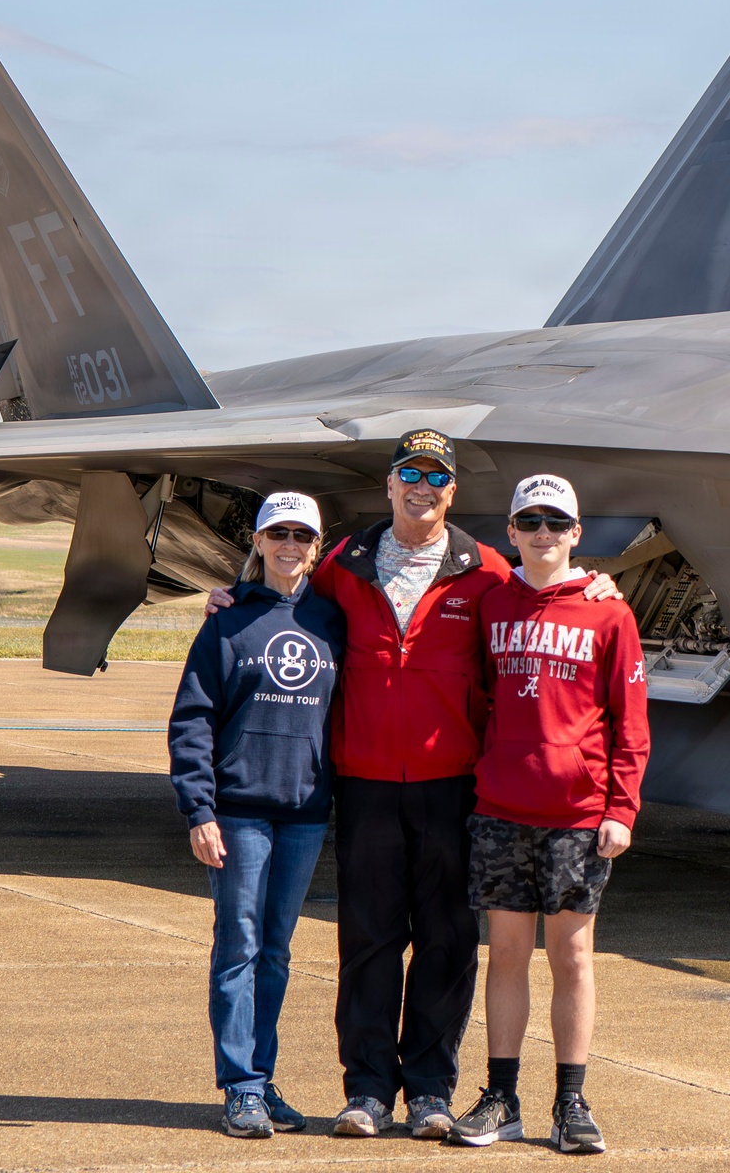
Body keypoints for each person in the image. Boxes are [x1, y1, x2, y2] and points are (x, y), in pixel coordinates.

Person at [205, 432, 622, 1140]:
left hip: (452, 785)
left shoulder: (484, 570)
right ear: (390, 484)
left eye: (436, 477)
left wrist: (596, 585)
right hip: (365, 781)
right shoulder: (345, 563)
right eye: (410, 473)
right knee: (368, 941)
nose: (421, 487)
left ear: (451, 491)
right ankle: (367, 1091)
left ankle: (430, 1091)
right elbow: (287, 600)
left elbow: (543, 596)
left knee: (446, 943)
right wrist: (233, 599)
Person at [446, 474, 649, 1156]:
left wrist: (621, 808)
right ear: (511, 531)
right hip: (503, 808)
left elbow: (632, 723)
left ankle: (571, 1102)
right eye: (530, 521)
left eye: (556, 523)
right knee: (506, 955)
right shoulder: (491, 602)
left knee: (573, 957)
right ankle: (501, 1098)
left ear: (576, 533)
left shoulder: (608, 613)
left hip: (577, 815)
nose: (543, 534)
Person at [168, 491, 345, 1139]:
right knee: (238, 946)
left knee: (275, 952)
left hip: (304, 812)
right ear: (260, 542)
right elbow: (192, 719)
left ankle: (262, 1081)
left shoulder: (333, 622)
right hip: (238, 813)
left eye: (301, 535)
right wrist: (199, 809)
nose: (289, 545)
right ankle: (240, 1087)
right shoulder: (227, 621)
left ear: (315, 547)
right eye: (279, 534)